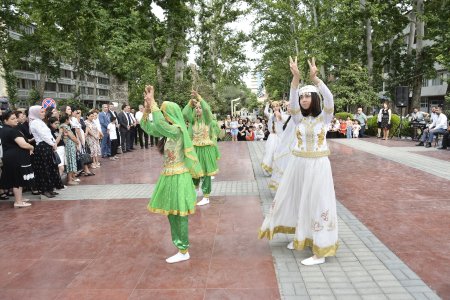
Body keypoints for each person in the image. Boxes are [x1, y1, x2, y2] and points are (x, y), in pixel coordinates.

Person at [259, 57, 338, 266]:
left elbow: (329, 100)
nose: (303, 100)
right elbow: (292, 101)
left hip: (319, 166)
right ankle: (301, 237)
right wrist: (296, 79)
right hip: (299, 164)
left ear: (315, 98)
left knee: (317, 201)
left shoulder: (324, 118)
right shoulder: (298, 119)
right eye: (302, 97)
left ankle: (320, 251)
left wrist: (316, 79)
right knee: (299, 200)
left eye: (307, 96)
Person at [141, 85, 203, 264]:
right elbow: (148, 127)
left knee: (180, 214)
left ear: (172, 115)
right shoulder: (168, 133)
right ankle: (180, 247)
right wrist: (147, 107)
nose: (163, 116)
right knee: (171, 213)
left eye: (165, 113)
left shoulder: (177, 131)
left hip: (179, 177)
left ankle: (184, 249)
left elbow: (159, 123)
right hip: (169, 177)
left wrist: (153, 102)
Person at [183, 90, 220, 206]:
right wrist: (190, 102)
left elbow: (207, 110)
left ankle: (206, 196)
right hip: (195, 149)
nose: (198, 109)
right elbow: (184, 114)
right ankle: (194, 192)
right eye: (196, 108)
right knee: (194, 171)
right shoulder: (193, 121)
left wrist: (199, 97)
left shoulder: (208, 120)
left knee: (206, 172)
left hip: (206, 149)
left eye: (200, 107)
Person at [0, 110, 35, 207]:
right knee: (18, 180)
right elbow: (23, 144)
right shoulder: (11, 131)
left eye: (15, 118)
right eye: (13, 119)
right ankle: (18, 202)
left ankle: (19, 199)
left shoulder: (4, 129)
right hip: (15, 158)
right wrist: (31, 147)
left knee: (17, 179)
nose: (16, 120)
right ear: (5, 121)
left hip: (10, 157)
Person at [29, 106, 63, 197]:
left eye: (43, 111)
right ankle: (45, 190)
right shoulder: (35, 123)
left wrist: (53, 143)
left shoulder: (40, 122)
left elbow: (48, 134)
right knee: (44, 169)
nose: (44, 113)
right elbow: (43, 135)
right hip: (43, 147)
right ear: (36, 113)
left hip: (47, 146)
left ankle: (50, 188)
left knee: (50, 168)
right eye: (41, 112)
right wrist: (53, 144)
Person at [261, 101, 288, 175]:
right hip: (272, 136)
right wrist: (267, 104)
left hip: (280, 136)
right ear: (272, 108)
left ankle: (278, 169)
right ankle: (269, 168)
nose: (275, 108)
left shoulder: (283, 115)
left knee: (279, 152)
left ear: (279, 107)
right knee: (270, 152)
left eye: (277, 106)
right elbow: (265, 112)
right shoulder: (271, 115)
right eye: (274, 106)